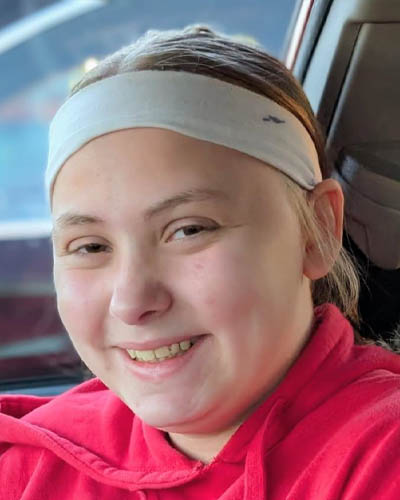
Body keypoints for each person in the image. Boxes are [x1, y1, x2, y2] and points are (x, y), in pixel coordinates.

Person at [1, 24, 400, 500]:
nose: (131, 302)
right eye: (90, 247)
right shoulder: (33, 464)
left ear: (317, 231)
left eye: (189, 230)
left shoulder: (381, 457)